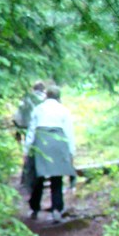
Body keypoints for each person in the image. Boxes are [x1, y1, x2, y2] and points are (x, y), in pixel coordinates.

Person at [23, 83, 76, 223]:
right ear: (59, 96)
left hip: (41, 141)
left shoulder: (38, 109)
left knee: (38, 176)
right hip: (58, 142)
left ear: (46, 95)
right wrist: (71, 152)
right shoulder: (64, 110)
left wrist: (27, 149)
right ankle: (56, 209)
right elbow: (69, 132)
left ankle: (34, 208)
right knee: (56, 177)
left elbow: (31, 131)